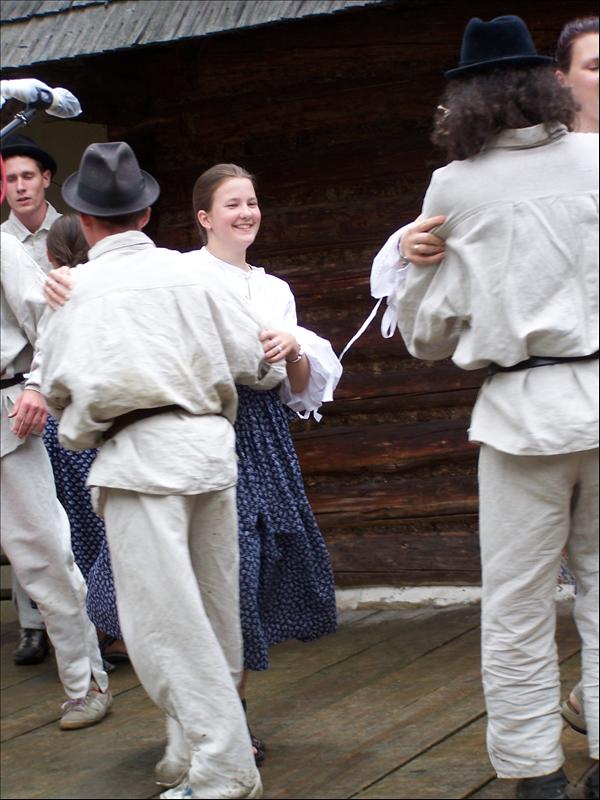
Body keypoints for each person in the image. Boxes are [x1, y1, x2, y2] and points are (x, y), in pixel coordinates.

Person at [44, 162, 343, 776]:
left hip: (141, 459)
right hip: (214, 451)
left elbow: (55, 388)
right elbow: (257, 364)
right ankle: (193, 749)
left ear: (85, 220)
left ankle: (221, 765)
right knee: (217, 608)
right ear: (146, 214)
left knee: (163, 624)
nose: (246, 213)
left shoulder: (81, 290)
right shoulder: (191, 274)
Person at [390, 15, 598, 800]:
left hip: (521, 417)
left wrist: (415, 269)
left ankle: (535, 770)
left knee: (517, 604)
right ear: (544, 83)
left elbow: (428, 336)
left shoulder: (455, 186)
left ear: (469, 98)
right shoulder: (598, 160)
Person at [1, 231, 112, 730]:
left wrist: (36, 384)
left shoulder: (2, 249)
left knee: (43, 556)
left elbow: (50, 318)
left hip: (6, 421)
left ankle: (87, 684)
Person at [44, 214, 127, 663]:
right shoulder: (106, 289)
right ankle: (119, 629)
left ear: (50, 254)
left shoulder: (55, 296)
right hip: (102, 424)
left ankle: (101, 632)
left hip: (64, 428)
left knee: (78, 531)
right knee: (108, 529)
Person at [1, 134, 61, 664]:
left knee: (65, 509)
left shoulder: (72, 231)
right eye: (10, 178)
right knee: (26, 512)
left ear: (45, 179)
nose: (20, 187)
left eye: (27, 176)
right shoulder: (2, 241)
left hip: (69, 384)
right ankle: (32, 624)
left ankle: (86, 620)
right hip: (21, 391)